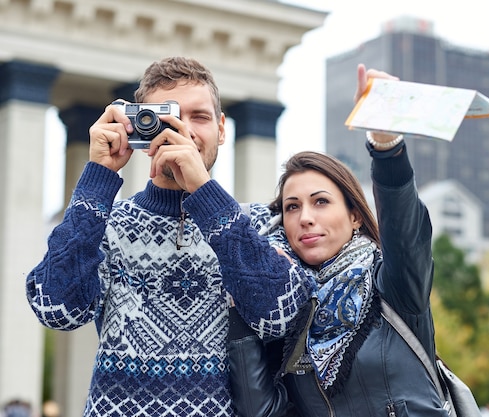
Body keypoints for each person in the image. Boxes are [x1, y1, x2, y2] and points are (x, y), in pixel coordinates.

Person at [25, 56, 313, 417]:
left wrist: (203, 193)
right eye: (167, 117)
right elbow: (57, 310)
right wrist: (98, 177)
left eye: (200, 117)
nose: (183, 131)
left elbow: (279, 316)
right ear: (138, 129)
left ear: (222, 128)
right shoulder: (107, 221)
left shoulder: (260, 222)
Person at [225, 64, 449, 416]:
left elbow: (405, 232)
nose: (305, 217)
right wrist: (241, 302)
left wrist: (387, 145)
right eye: (292, 207)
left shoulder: (393, 285)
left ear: (355, 215)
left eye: (321, 201)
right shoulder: (283, 309)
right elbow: (262, 410)